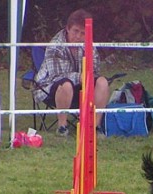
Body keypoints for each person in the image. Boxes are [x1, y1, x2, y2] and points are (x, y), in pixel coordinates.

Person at [33, 9, 109, 137]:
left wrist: (88, 77)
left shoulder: (89, 45)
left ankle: (95, 126)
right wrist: (81, 76)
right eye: (75, 31)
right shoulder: (55, 45)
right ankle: (62, 127)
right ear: (68, 29)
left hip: (81, 86)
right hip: (50, 87)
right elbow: (57, 76)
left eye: (83, 33)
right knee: (66, 85)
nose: (78, 36)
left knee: (102, 82)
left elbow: (95, 71)